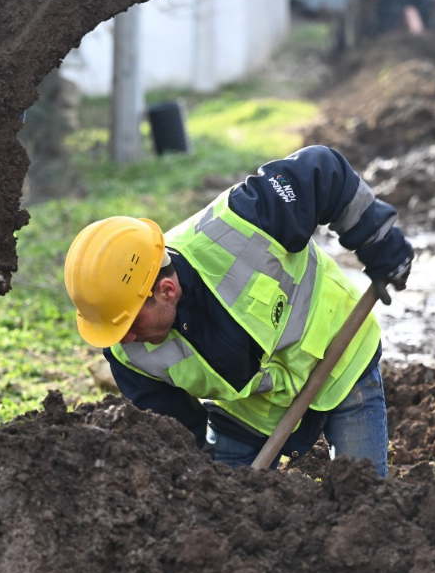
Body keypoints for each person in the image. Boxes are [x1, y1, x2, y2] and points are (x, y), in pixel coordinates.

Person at [63, 146, 412, 477]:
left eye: (129, 321)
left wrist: (378, 241)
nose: (126, 338)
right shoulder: (126, 353)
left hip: (340, 361)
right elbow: (179, 436)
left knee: (365, 497)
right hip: (248, 416)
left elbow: (323, 170)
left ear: (166, 290)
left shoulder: (243, 223)